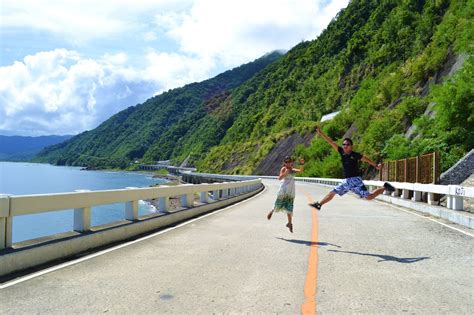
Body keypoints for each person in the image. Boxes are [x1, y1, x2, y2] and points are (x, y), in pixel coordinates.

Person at [308, 126, 395, 210]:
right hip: (347, 181)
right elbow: (331, 142)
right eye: (344, 144)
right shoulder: (341, 152)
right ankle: (319, 204)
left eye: (347, 144)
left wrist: (375, 165)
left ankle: (385, 187)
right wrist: (321, 133)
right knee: (333, 192)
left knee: (369, 197)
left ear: (351, 146)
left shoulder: (355, 155)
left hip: (355, 180)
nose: (345, 146)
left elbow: (366, 159)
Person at [267, 156, 304, 233]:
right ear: (284, 163)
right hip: (284, 189)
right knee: (279, 202)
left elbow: (301, 171)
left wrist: (301, 164)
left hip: (290, 190)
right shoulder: (284, 169)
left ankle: (290, 223)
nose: (288, 163)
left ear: (291, 162)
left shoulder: (292, 170)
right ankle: (272, 211)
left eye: (289, 161)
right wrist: (285, 173)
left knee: (289, 206)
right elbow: (280, 178)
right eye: (286, 162)